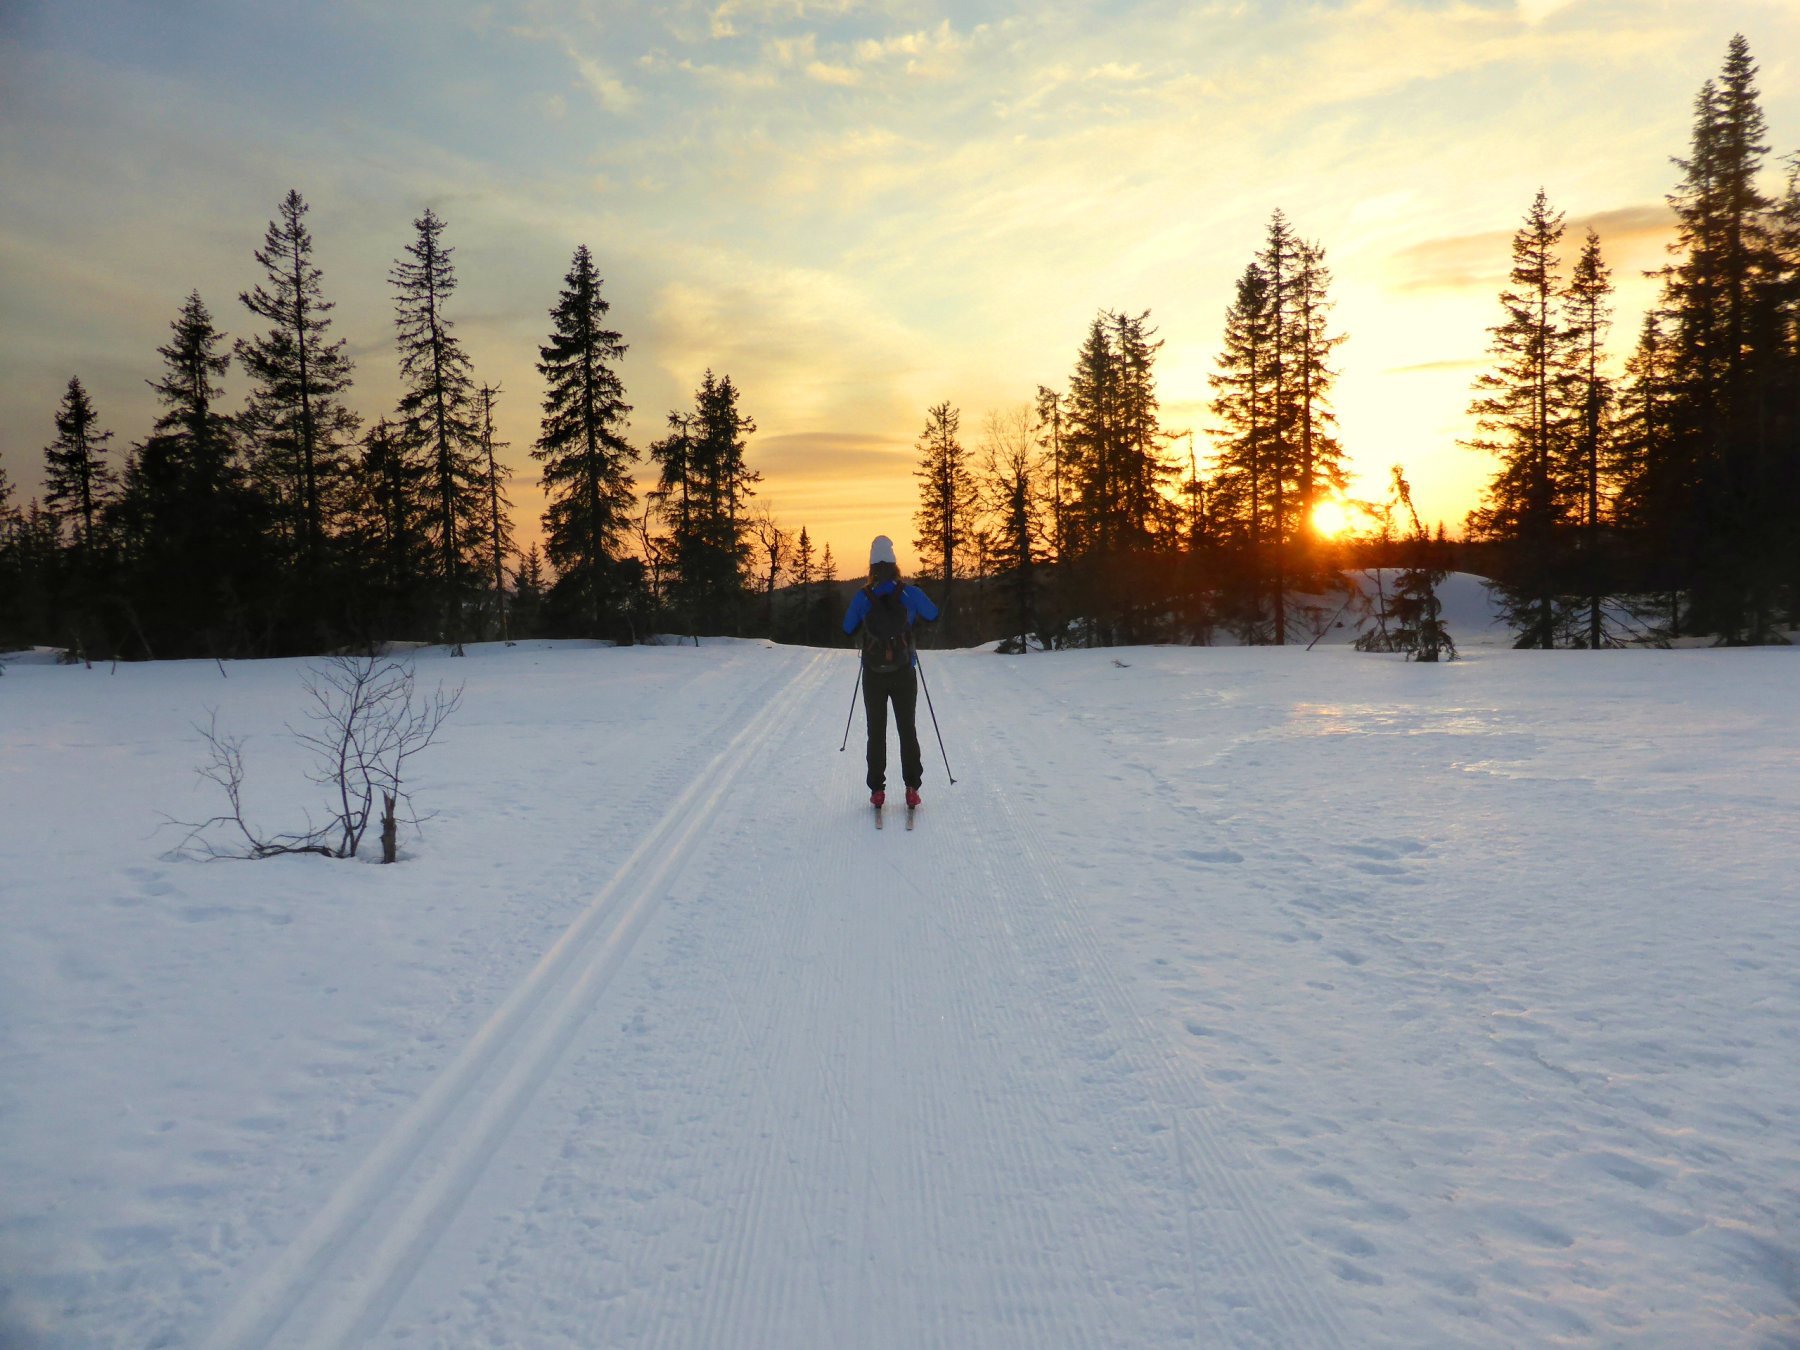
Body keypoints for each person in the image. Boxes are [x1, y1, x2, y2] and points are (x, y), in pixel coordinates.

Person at [843, 535, 939, 809]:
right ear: (895, 564)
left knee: (877, 730)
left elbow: (847, 628)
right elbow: (933, 614)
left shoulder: (864, 596)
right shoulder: (908, 593)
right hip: (903, 670)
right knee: (906, 728)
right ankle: (912, 787)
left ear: (871, 566)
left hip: (873, 673)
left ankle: (877, 790)